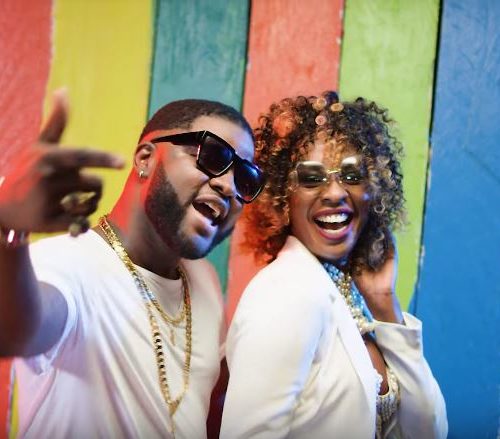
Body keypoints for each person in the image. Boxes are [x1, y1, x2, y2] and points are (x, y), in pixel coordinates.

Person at [0, 90, 264, 438]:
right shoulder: (67, 261)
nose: (229, 186)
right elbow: (16, 333)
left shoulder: (204, 280)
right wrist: (9, 229)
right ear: (146, 158)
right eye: (213, 156)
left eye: (246, 179)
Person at [220, 91, 448, 438]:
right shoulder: (285, 293)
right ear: (283, 198)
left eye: (352, 175)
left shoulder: (354, 297)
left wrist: (384, 301)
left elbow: (428, 431)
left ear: (374, 190)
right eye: (311, 178)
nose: (335, 192)